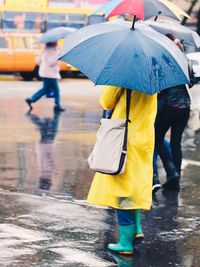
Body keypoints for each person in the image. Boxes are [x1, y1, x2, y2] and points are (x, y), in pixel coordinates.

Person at [87, 86, 157, 254]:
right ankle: (137, 229)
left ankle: (125, 242)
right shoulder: (151, 79)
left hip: (125, 137)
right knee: (135, 183)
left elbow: (107, 102)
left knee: (121, 188)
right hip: (144, 136)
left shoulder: (122, 78)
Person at [153, 33, 195, 192]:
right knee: (176, 143)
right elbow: (191, 82)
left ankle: (171, 171)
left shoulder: (161, 59)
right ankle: (175, 179)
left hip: (168, 106)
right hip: (184, 106)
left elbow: (157, 85)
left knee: (156, 137)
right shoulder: (183, 59)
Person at [25, 42, 65, 113]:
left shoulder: (46, 50)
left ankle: (31, 99)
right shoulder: (50, 51)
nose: (57, 43)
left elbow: (38, 61)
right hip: (49, 74)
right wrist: (58, 54)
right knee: (56, 90)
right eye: (56, 42)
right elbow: (50, 62)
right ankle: (57, 106)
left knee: (45, 89)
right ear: (52, 43)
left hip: (46, 73)